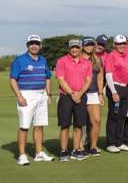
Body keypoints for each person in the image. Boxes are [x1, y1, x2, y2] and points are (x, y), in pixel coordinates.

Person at [10, 35, 55, 166]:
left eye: (36, 43)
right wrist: (19, 96)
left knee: (39, 125)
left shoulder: (43, 60)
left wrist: (49, 95)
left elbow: (47, 77)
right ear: (27, 45)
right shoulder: (20, 60)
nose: (34, 46)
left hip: (41, 94)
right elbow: (13, 79)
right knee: (24, 126)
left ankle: (39, 153)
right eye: (31, 43)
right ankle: (22, 155)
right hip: (26, 95)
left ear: (40, 46)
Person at [55, 38, 93, 161]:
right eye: (72, 47)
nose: (75, 49)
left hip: (81, 96)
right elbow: (60, 79)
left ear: (80, 48)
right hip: (66, 96)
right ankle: (63, 151)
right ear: (69, 48)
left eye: (77, 47)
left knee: (79, 125)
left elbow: (88, 80)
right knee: (65, 125)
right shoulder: (62, 61)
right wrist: (72, 93)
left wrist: (80, 93)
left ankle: (76, 149)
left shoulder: (86, 63)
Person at [105, 34, 128, 153]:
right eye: (119, 44)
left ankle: (119, 141)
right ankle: (110, 143)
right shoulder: (111, 56)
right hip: (115, 87)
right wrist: (113, 92)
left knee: (122, 116)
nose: (121, 46)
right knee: (113, 116)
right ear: (114, 45)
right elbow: (108, 75)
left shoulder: (126, 56)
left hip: (125, 88)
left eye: (123, 44)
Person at [81, 37, 105, 156]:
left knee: (96, 120)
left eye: (91, 45)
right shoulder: (78, 59)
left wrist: (100, 93)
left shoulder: (97, 59)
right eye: (87, 45)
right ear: (82, 46)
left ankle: (93, 146)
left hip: (94, 93)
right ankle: (80, 147)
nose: (89, 47)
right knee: (80, 122)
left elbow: (100, 77)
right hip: (81, 93)